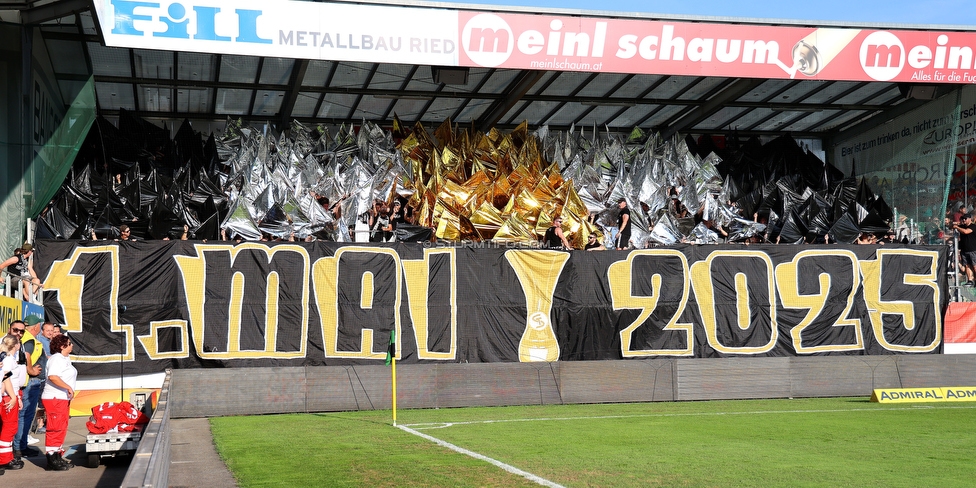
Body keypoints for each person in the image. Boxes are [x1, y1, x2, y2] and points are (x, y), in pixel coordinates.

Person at [41, 334, 75, 471]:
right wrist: (67, 387)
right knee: (55, 428)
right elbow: (53, 377)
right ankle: (51, 458)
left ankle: (57, 455)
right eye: (69, 342)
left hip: (62, 398)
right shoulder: (56, 359)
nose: (72, 345)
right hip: (54, 398)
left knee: (61, 427)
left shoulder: (65, 359)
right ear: (62, 346)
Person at [13, 315, 44, 460]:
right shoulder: (29, 340)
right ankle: (20, 447)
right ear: (36, 327)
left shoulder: (25, 338)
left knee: (24, 416)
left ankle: (21, 445)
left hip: (27, 382)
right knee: (25, 416)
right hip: (29, 382)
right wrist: (31, 370)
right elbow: (26, 356)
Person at [0, 334, 25, 471]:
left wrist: (17, 396)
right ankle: (4, 458)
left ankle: (7, 455)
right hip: (8, 396)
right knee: (9, 428)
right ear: (17, 345)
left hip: (11, 395)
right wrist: (12, 396)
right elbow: (5, 378)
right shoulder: (8, 360)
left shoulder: (10, 359)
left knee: (10, 428)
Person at [950, 213, 976, 286]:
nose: (964, 220)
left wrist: (957, 227)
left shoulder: (973, 226)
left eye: (965, 219)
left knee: (974, 266)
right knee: (967, 266)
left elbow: (966, 231)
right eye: (963, 219)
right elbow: (951, 227)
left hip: (973, 250)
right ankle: (970, 280)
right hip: (964, 250)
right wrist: (954, 224)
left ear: (969, 219)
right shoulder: (962, 226)